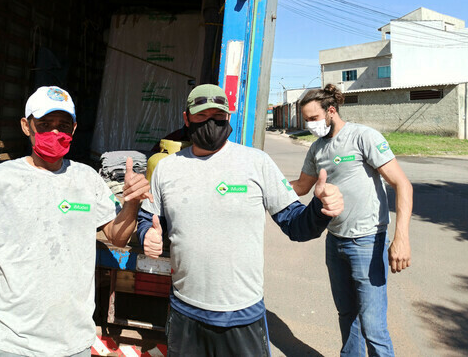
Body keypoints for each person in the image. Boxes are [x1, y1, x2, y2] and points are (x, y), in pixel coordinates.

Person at [0, 86, 151, 357]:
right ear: (27, 126)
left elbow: (117, 236)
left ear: (73, 130)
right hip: (14, 346)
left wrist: (132, 203)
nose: (55, 133)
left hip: (75, 345)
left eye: (63, 125)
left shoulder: (88, 179)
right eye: (45, 124)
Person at [137, 84, 345, 357]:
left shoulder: (256, 162)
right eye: (202, 116)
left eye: (218, 116)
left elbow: (296, 225)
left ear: (228, 117)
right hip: (185, 313)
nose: (211, 123)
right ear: (186, 119)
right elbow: (147, 219)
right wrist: (146, 236)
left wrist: (320, 208)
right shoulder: (166, 167)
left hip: (242, 315)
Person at [290, 84, 413, 357]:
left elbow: (402, 184)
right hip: (335, 242)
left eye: (313, 118)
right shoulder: (317, 149)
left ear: (331, 111)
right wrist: (262, 187)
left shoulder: (363, 137)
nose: (310, 125)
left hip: (367, 241)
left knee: (373, 327)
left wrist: (401, 237)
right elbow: (300, 186)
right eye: (306, 120)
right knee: (347, 316)